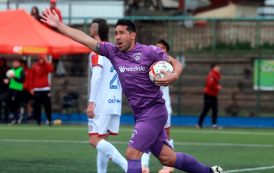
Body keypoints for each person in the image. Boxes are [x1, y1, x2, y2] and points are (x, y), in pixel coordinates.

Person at [40, 8, 223, 173]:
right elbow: (85, 38)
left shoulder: (149, 52)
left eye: (122, 33)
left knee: (132, 154)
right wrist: (58, 25)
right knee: (168, 158)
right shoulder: (112, 52)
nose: (117, 36)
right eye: (115, 33)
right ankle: (209, 172)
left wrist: (173, 76)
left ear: (132, 35)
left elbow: (177, 63)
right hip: (140, 113)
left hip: (154, 111)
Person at [86, 18, 127, 173]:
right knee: (102, 140)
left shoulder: (97, 49)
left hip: (101, 103)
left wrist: (91, 102)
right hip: (114, 101)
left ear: (93, 31)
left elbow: (96, 76)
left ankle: (128, 166)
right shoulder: (114, 50)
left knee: (94, 140)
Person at [141, 40, 174, 173]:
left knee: (166, 135)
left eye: (162, 48)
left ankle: (169, 165)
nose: (159, 49)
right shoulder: (148, 64)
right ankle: (144, 166)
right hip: (149, 105)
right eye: (157, 47)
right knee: (145, 134)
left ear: (166, 52)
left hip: (164, 105)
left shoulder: (167, 66)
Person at [29, 55, 54, 126]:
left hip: (45, 88)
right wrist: (31, 88)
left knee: (47, 105)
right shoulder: (34, 67)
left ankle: (49, 120)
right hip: (37, 89)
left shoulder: (47, 66)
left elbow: (51, 70)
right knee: (37, 106)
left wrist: (47, 62)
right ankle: (38, 121)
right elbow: (31, 78)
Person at [197, 63, 221, 130]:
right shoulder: (211, 74)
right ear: (214, 67)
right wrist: (217, 87)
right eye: (217, 66)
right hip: (209, 95)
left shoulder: (216, 74)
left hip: (214, 95)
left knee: (215, 110)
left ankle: (214, 125)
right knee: (206, 109)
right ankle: (199, 124)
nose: (219, 68)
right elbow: (210, 85)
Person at [4, 59, 25, 125]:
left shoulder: (21, 70)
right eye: (14, 63)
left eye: (16, 63)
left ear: (19, 64)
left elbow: (22, 80)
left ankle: (16, 118)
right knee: (8, 103)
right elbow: (7, 77)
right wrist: (6, 80)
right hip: (11, 89)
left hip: (18, 89)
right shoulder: (11, 70)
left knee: (15, 104)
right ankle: (17, 116)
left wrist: (14, 77)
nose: (15, 64)